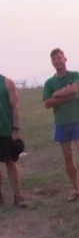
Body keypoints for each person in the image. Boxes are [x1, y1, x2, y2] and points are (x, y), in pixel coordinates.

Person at [43, 49, 79, 201]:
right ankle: (76, 189)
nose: (57, 61)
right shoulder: (49, 83)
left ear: (65, 59)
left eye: (59, 58)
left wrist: (56, 94)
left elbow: (75, 89)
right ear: (52, 63)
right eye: (54, 59)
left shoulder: (75, 75)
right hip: (61, 123)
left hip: (78, 120)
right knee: (67, 156)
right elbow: (47, 103)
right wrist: (66, 96)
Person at [0, 74, 26, 207]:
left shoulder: (7, 83)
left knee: (10, 162)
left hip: (6, 131)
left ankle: (17, 195)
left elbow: (15, 107)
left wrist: (15, 129)